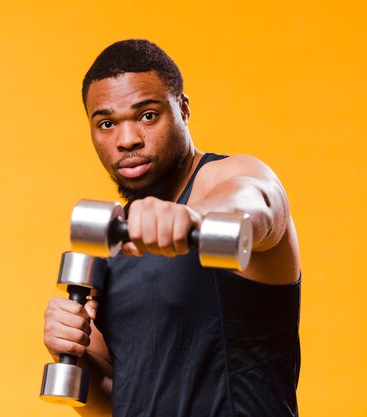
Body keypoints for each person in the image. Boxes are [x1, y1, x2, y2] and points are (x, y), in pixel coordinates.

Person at [43, 39, 301, 417]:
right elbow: (119, 400)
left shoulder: (226, 179)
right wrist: (72, 351)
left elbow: (257, 203)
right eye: (107, 124)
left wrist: (194, 216)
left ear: (182, 108)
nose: (127, 140)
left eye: (147, 115)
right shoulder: (118, 241)